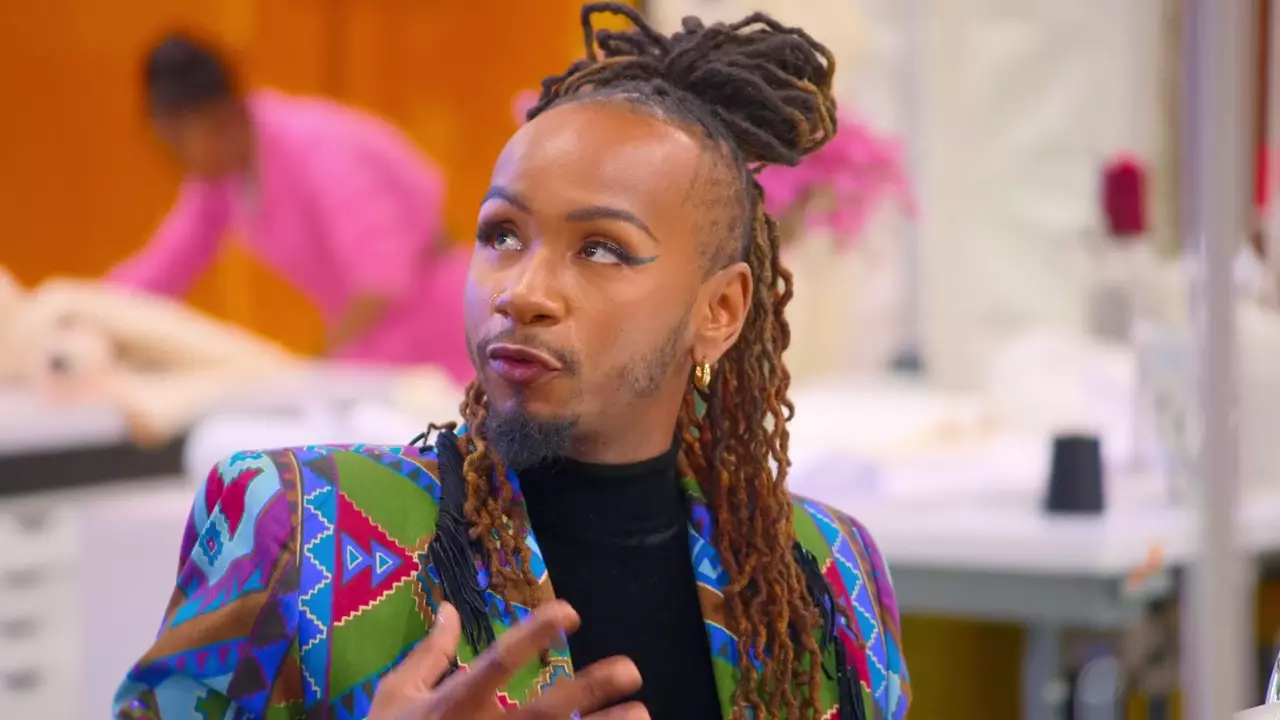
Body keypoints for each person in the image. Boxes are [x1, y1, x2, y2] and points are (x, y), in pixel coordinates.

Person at [113, 5, 910, 719]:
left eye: (602, 248)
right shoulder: (294, 526)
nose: (522, 292)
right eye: (501, 234)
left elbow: (377, 271)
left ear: (720, 312)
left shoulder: (828, 576)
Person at [107, 32, 472, 382]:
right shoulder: (222, 178)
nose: (173, 159)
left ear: (221, 120)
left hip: (438, 326)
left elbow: (382, 276)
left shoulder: (317, 147)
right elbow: (165, 266)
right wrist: (94, 311)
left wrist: (318, 364)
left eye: (176, 143)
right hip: (374, 340)